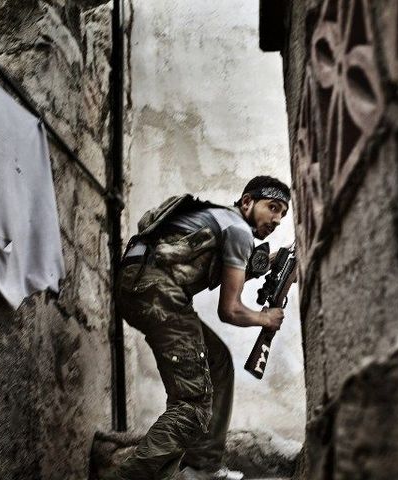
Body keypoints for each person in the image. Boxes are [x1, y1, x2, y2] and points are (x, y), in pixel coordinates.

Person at [111, 176, 290, 480]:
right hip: (160, 294)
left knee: (217, 361)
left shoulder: (222, 220)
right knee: (191, 405)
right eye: (272, 207)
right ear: (247, 202)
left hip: (144, 289)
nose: (277, 219)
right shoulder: (237, 230)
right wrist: (266, 319)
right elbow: (230, 310)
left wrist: (272, 265)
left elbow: (207, 266)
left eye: (283, 214)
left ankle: (203, 466)